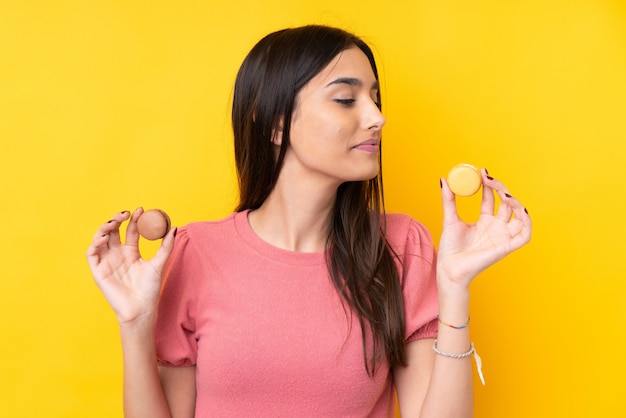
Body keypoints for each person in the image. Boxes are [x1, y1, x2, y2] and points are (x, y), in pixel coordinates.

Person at [86, 25, 531, 417]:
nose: (378, 118)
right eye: (345, 99)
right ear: (276, 122)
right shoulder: (197, 252)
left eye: (375, 99)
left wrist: (454, 288)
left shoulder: (400, 245)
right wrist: (135, 324)